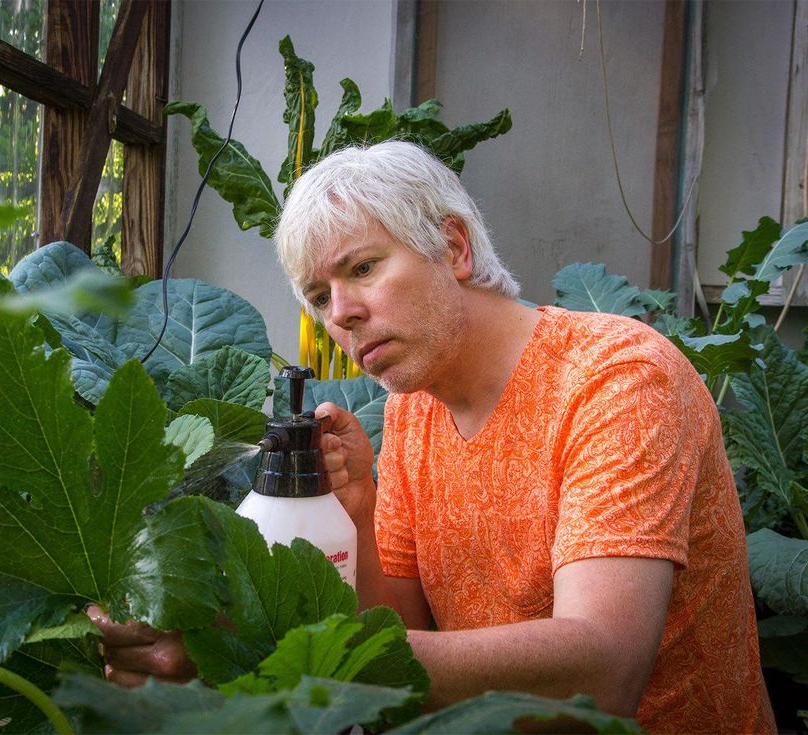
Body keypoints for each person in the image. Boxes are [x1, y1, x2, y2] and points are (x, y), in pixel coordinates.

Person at [91, 141, 775, 734]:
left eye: (361, 268)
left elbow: (602, 675)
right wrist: (358, 505)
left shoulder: (617, 380)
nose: (344, 314)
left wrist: (255, 647)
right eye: (320, 296)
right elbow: (405, 627)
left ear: (453, 247)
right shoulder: (416, 408)